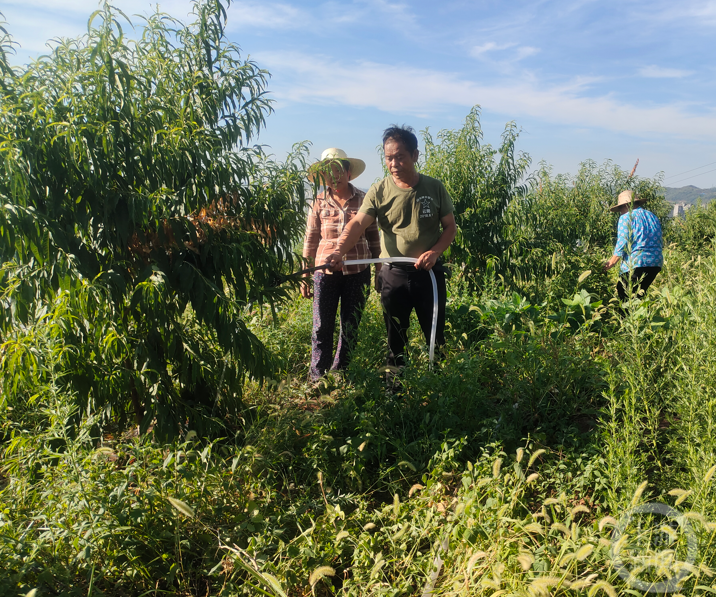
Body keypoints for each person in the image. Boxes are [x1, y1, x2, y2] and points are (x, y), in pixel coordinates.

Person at [325, 126, 457, 372]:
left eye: (400, 156)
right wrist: (338, 252)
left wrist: (436, 251)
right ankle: (395, 390)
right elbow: (357, 224)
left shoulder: (434, 188)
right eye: (388, 158)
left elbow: (450, 227)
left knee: (435, 336)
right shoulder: (379, 190)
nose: (394, 163)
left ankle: (439, 388)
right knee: (395, 339)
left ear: (415, 155)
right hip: (393, 275)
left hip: (428, 275)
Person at [302, 148, 382, 382]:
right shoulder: (319, 201)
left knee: (350, 326)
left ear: (349, 173)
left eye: (339, 171)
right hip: (324, 273)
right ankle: (317, 377)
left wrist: (379, 270)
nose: (334, 176)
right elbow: (311, 239)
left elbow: (374, 238)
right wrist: (305, 276)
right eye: (328, 172)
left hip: (357, 272)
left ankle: (340, 374)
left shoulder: (363, 199)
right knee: (321, 326)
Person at [604, 189, 663, 301]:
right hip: (655, 262)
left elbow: (623, 241)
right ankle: (640, 317)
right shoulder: (652, 216)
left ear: (626, 205)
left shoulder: (626, 217)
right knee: (638, 296)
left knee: (625, 295)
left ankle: (625, 319)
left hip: (636, 262)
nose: (620, 211)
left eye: (620, 208)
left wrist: (611, 262)